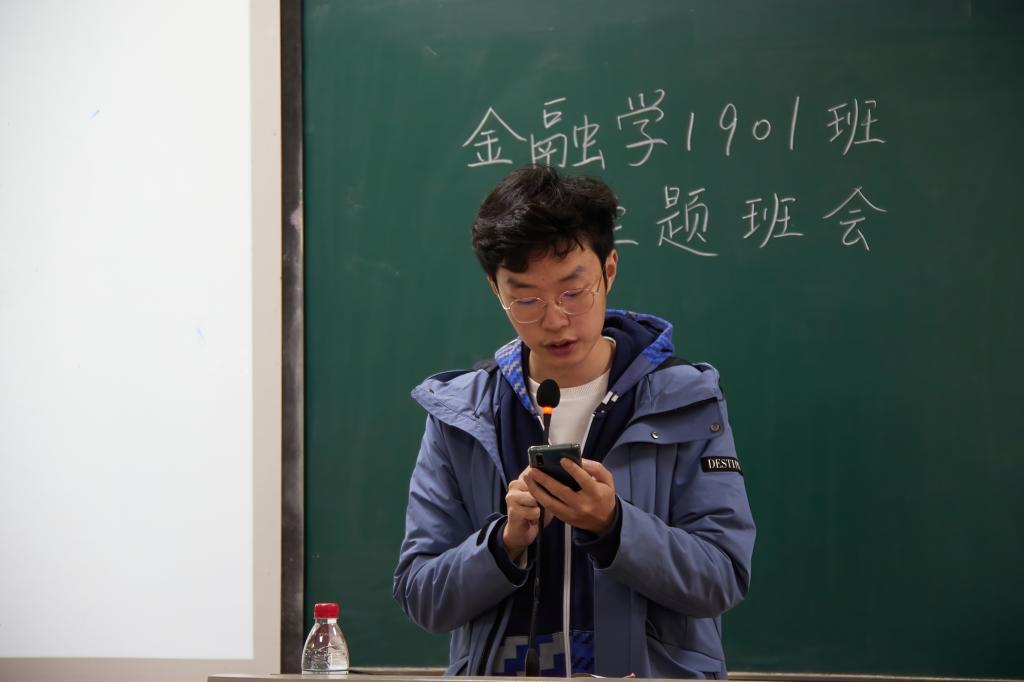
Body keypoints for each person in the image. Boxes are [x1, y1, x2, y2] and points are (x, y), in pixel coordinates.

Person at [393, 166, 755, 678]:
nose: (555, 319)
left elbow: (722, 577)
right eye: (526, 299)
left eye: (573, 291)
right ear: (496, 290)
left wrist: (613, 525)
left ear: (609, 270)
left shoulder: (685, 400)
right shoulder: (462, 415)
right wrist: (503, 544)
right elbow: (421, 596)